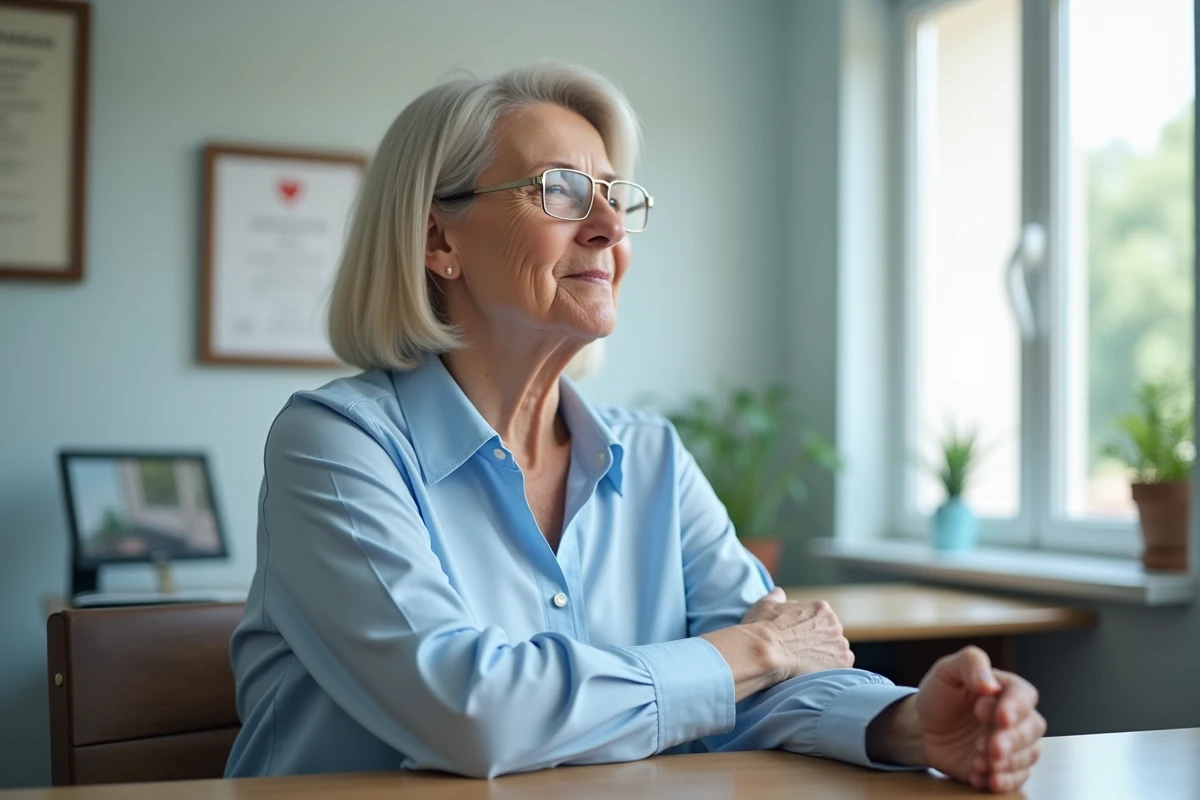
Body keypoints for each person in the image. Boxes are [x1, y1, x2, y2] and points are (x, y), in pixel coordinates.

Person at [225, 63, 1045, 793]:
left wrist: (907, 727)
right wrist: (747, 652)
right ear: (440, 238)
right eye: (562, 193)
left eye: (617, 198)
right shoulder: (334, 446)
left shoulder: (650, 454)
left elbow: (791, 675)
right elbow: (472, 714)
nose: (610, 229)